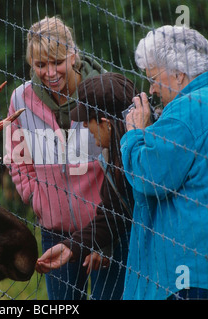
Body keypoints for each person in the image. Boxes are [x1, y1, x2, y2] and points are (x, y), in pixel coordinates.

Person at [122, 25, 208, 299]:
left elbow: (149, 176)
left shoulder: (185, 111)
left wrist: (135, 134)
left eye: (153, 79)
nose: (151, 89)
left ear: (178, 74)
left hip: (196, 270)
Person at [4, 16, 116, 300]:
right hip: (55, 231)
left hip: (103, 231)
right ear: (31, 64)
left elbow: (120, 163)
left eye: (58, 62)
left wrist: (109, 232)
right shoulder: (20, 100)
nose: (50, 72)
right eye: (41, 65)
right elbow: (16, 156)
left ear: (73, 55)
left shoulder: (103, 93)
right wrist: (36, 196)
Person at [35, 72, 137, 300]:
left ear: (105, 122)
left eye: (86, 120)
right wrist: (71, 247)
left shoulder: (139, 160)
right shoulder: (117, 156)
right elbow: (113, 214)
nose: (82, 126)